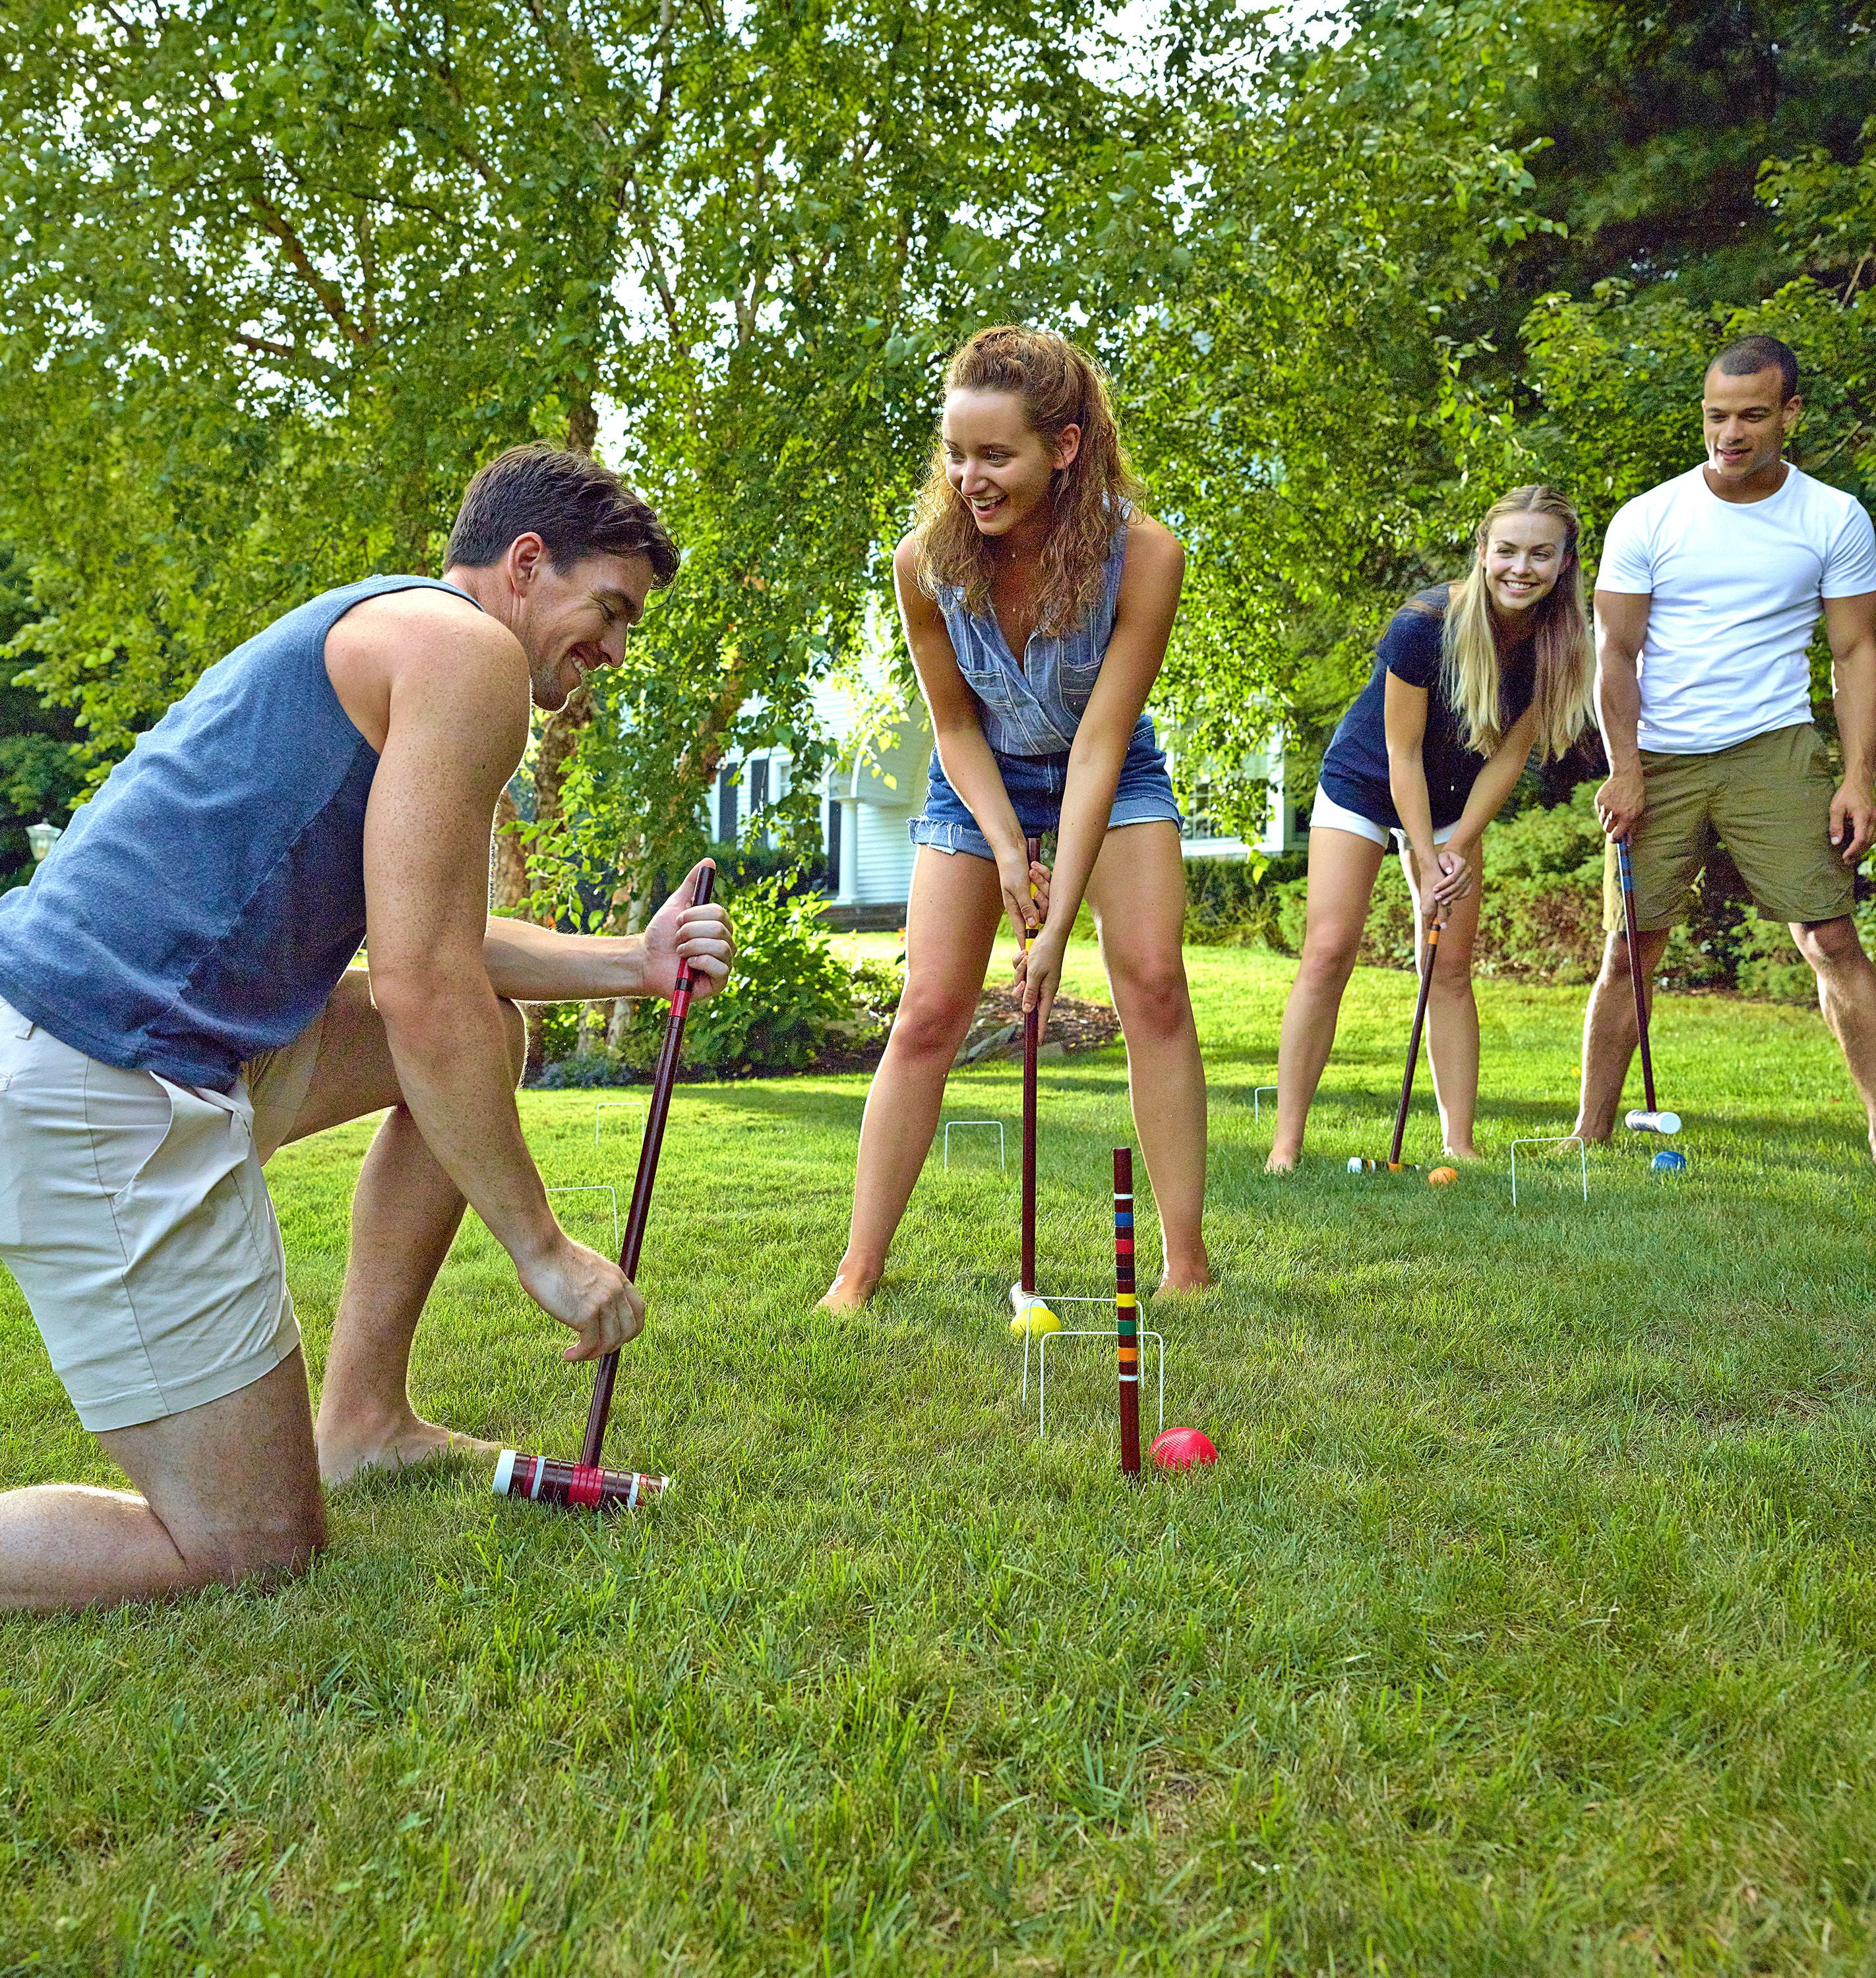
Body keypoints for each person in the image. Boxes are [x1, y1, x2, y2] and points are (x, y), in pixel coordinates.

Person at [0, 442, 736, 1611]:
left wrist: (634, 964)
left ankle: (367, 1420)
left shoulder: (398, 632)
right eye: (608, 611)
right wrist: (543, 1249)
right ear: (527, 564)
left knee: (488, 1031)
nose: (611, 652)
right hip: (104, 1073)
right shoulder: (465, 653)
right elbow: (419, 982)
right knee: (250, 1548)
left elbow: (432, 938)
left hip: (157, 1038)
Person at [820, 326, 1210, 1309]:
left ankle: (1186, 1262)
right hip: (981, 777)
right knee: (927, 1015)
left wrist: (1055, 927)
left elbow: (1098, 747)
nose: (969, 478)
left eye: (996, 456)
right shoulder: (926, 565)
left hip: (1108, 776)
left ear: (1065, 449)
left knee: (1155, 985)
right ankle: (858, 1271)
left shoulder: (1145, 557)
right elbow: (952, 723)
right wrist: (1003, 848)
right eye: (956, 454)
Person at [1570, 334, 1876, 1166]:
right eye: (1718, 416)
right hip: (1660, 756)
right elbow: (1612, 653)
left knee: (1830, 938)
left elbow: (1855, 653)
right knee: (1629, 951)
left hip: (1774, 747)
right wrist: (1625, 766)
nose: (1731, 433)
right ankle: (1589, 1134)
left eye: (1753, 415)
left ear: (1789, 413)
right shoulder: (1649, 517)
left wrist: (1859, 777)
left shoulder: (1833, 517)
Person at [1268, 486, 1594, 1170]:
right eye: (1506, 550)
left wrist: (1457, 844)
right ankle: (1286, 1146)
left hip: (1459, 797)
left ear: (1565, 563)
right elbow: (1401, 752)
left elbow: (1510, 755)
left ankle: (1460, 1143)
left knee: (1446, 966)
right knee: (1328, 950)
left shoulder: (1561, 641)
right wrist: (1424, 854)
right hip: (1365, 782)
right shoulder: (1425, 623)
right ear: (1482, 552)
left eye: (1540, 553)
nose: (1520, 568)